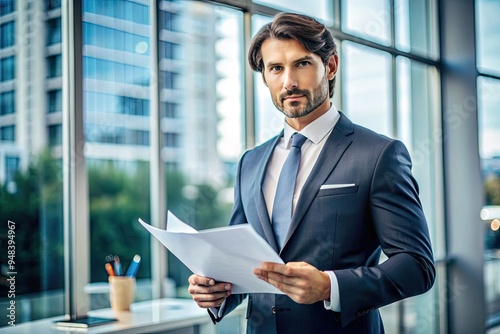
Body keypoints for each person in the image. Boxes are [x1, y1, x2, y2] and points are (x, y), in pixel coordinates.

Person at [187, 12, 435, 333]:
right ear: (265, 78)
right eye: (275, 68)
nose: (288, 81)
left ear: (329, 67)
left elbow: (417, 266)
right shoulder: (250, 162)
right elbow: (242, 261)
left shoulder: (378, 154)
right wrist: (217, 290)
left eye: (301, 64)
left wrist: (330, 286)